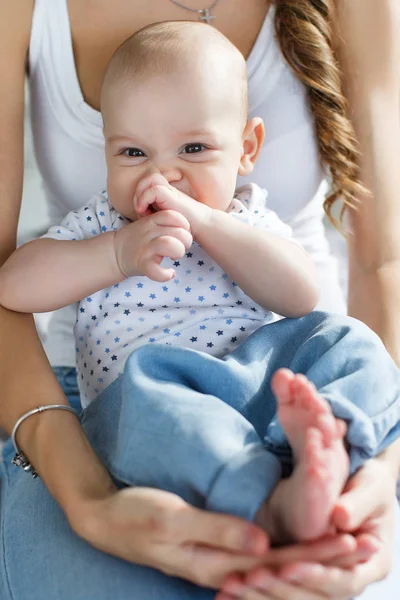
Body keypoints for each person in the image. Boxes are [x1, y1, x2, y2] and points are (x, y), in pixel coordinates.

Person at [0, 1, 399, 599]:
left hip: (270, 381)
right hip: (140, 392)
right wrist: (115, 254)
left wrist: (211, 225)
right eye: (133, 154)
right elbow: (12, 286)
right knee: (153, 407)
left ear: (246, 149)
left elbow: (301, 293)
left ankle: (337, 451)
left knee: (352, 345)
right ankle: (262, 499)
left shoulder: (247, 215)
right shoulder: (105, 224)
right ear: (105, 150)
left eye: (193, 151)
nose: (164, 178)